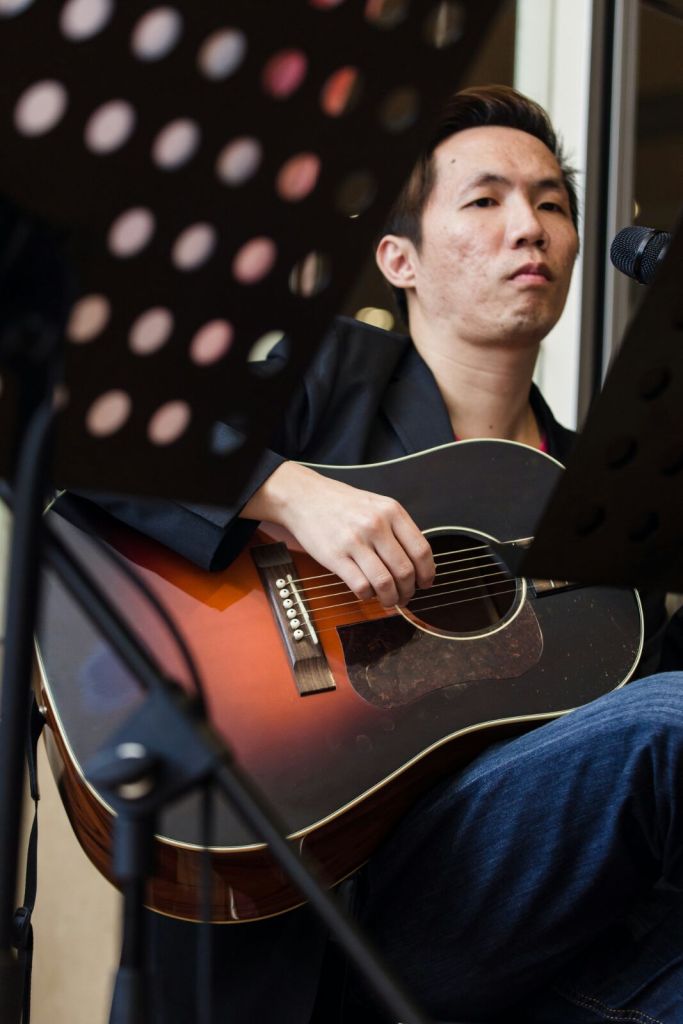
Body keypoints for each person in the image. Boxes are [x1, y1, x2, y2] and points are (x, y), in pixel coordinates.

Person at [79, 85, 683, 1022]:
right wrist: (286, 493)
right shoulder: (332, 381)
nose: (528, 226)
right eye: (484, 200)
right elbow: (79, 418)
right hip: (313, 890)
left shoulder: (591, 495)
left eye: (551, 204)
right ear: (398, 259)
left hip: (512, 915)